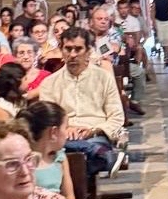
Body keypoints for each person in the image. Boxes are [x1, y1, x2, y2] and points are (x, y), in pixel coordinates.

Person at [38, 27, 127, 179]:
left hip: (96, 134)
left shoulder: (103, 78)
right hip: (63, 137)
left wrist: (93, 130)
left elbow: (117, 117)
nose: (72, 55)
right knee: (61, 150)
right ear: (61, 50)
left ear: (88, 51)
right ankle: (102, 156)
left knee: (74, 158)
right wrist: (65, 129)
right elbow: (45, 119)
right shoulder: (49, 83)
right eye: (68, 49)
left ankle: (76, 197)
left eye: (78, 49)